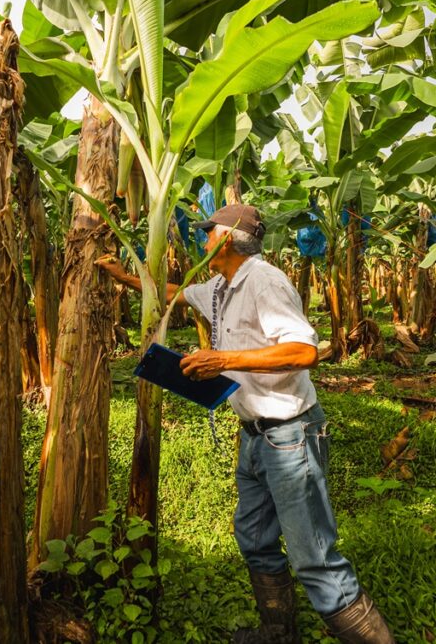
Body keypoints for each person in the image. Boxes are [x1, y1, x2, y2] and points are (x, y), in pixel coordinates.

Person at [96, 204, 394, 644]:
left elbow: (303, 351)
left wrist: (224, 360)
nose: (201, 239)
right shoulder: (221, 285)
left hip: (290, 435)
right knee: (254, 539)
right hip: (254, 437)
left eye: (207, 232)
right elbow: (179, 292)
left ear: (228, 237)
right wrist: (125, 278)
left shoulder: (264, 281)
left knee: (313, 557)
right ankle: (278, 634)